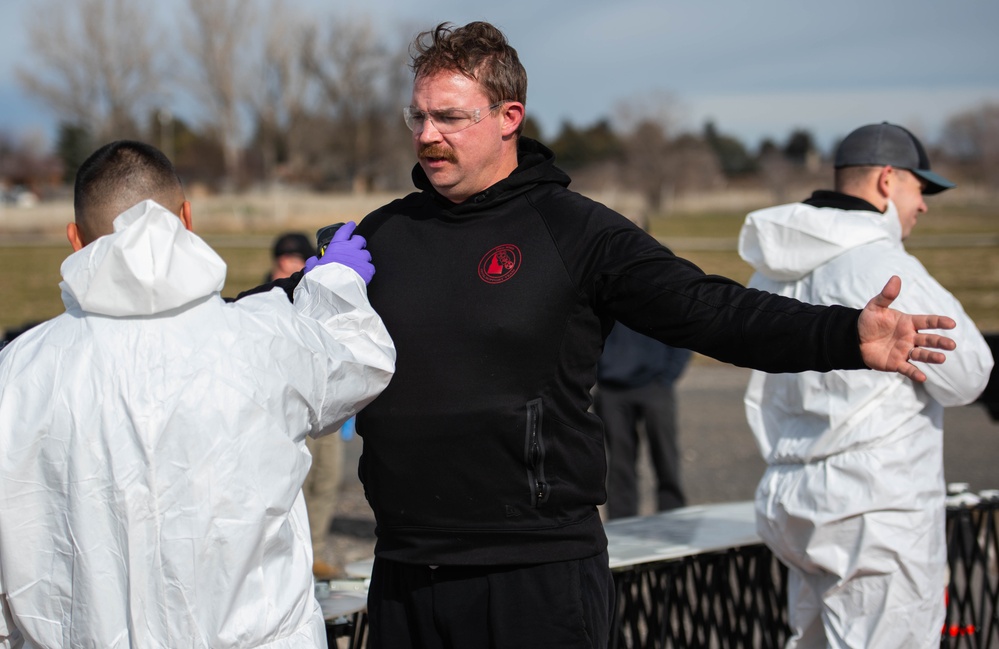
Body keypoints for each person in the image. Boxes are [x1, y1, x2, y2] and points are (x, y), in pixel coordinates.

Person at [242, 23, 960, 649]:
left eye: (450, 117)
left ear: (507, 117)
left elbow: (709, 309)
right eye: (419, 117)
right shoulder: (387, 235)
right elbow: (277, 320)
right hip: (405, 571)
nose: (428, 135)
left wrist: (844, 336)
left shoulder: (574, 231)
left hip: (535, 573)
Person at [0, 140, 395, 648]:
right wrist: (336, 283)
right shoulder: (262, 340)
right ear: (186, 219)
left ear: (76, 239)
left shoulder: (19, 372)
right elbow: (360, 359)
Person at [738, 122, 994, 648]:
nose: (922, 206)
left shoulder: (769, 271)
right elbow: (969, 373)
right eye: (919, 188)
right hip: (876, 510)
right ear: (886, 181)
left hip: (792, 500)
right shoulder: (883, 266)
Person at [267, 231, 346, 580]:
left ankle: (313, 552)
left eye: (298, 257)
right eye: (285, 257)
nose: (291, 263)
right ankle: (289, 560)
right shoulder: (262, 299)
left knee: (328, 478)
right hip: (285, 407)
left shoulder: (314, 294)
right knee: (294, 481)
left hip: (323, 401)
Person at [595, 321, 692, 517]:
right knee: (619, 463)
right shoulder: (598, 290)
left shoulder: (664, 290)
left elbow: (682, 325)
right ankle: (622, 525)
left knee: (665, 455)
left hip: (655, 384)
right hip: (610, 388)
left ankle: (673, 518)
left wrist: (668, 375)